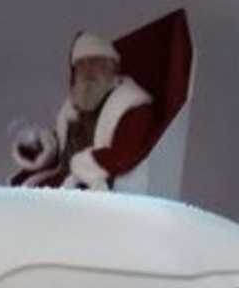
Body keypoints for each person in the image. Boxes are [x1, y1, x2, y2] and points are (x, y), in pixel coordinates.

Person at [11, 31, 155, 190]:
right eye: (81, 64)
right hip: (62, 180)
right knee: (15, 190)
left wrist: (84, 165)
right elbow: (62, 145)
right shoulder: (73, 104)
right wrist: (40, 144)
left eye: (94, 62)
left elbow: (125, 154)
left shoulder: (131, 104)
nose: (87, 70)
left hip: (92, 185)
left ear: (112, 66)